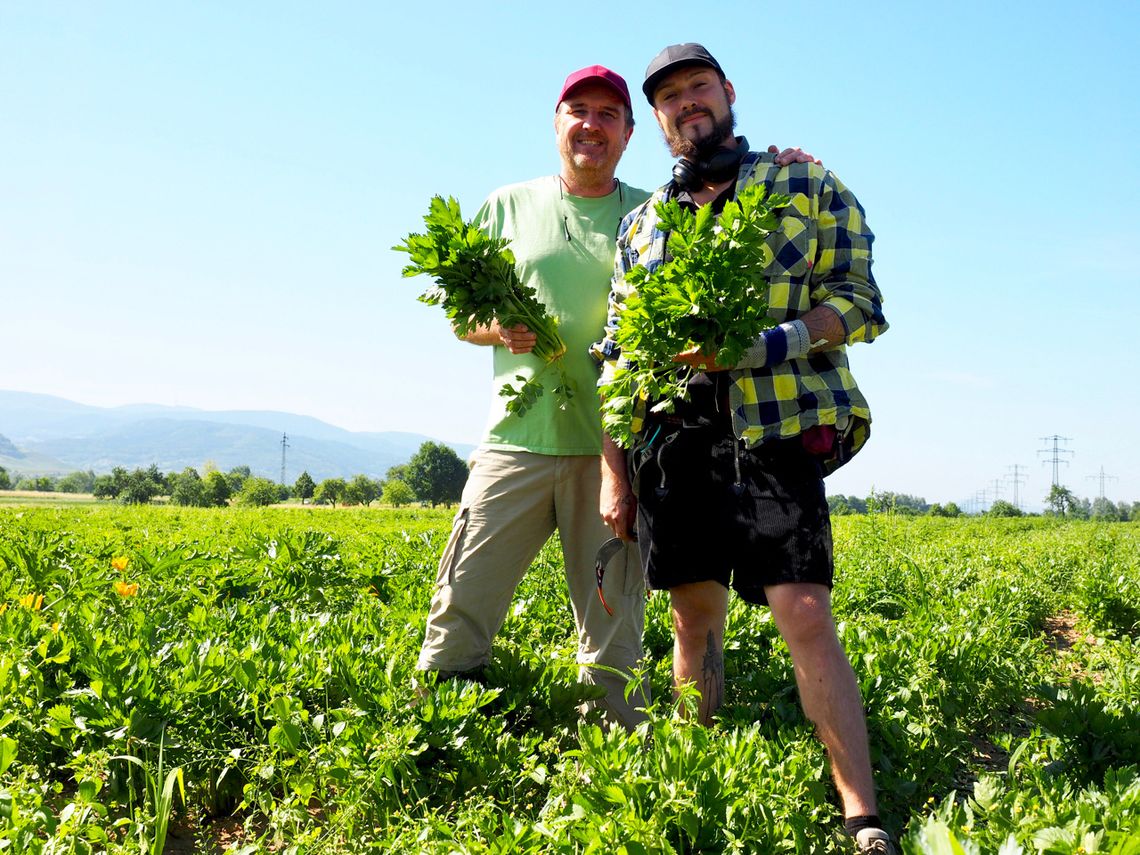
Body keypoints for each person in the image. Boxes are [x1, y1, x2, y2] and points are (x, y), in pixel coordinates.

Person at [417, 63, 817, 731]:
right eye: (579, 111)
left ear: (630, 134)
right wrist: (501, 328)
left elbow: (732, 212)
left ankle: (609, 742)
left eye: (608, 115)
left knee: (611, 618)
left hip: (619, 449)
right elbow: (461, 317)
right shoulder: (506, 206)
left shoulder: (653, 213)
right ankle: (436, 726)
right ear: (556, 125)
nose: (591, 125)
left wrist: (785, 164)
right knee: (465, 592)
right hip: (516, 439)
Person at [593, 44, 895, 852]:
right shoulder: (643, 226)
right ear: (656, 121)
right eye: (669, 98)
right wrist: (614, 472)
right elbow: (619, 354)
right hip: (678, 437)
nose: (687, 104)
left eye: (698, 88)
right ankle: (698, 781)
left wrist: (766, 343)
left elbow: (860, 302)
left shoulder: (806, 183)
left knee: (804, 610)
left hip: (778, 423)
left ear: (728, 94)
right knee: (694, 617)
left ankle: (861, 813)